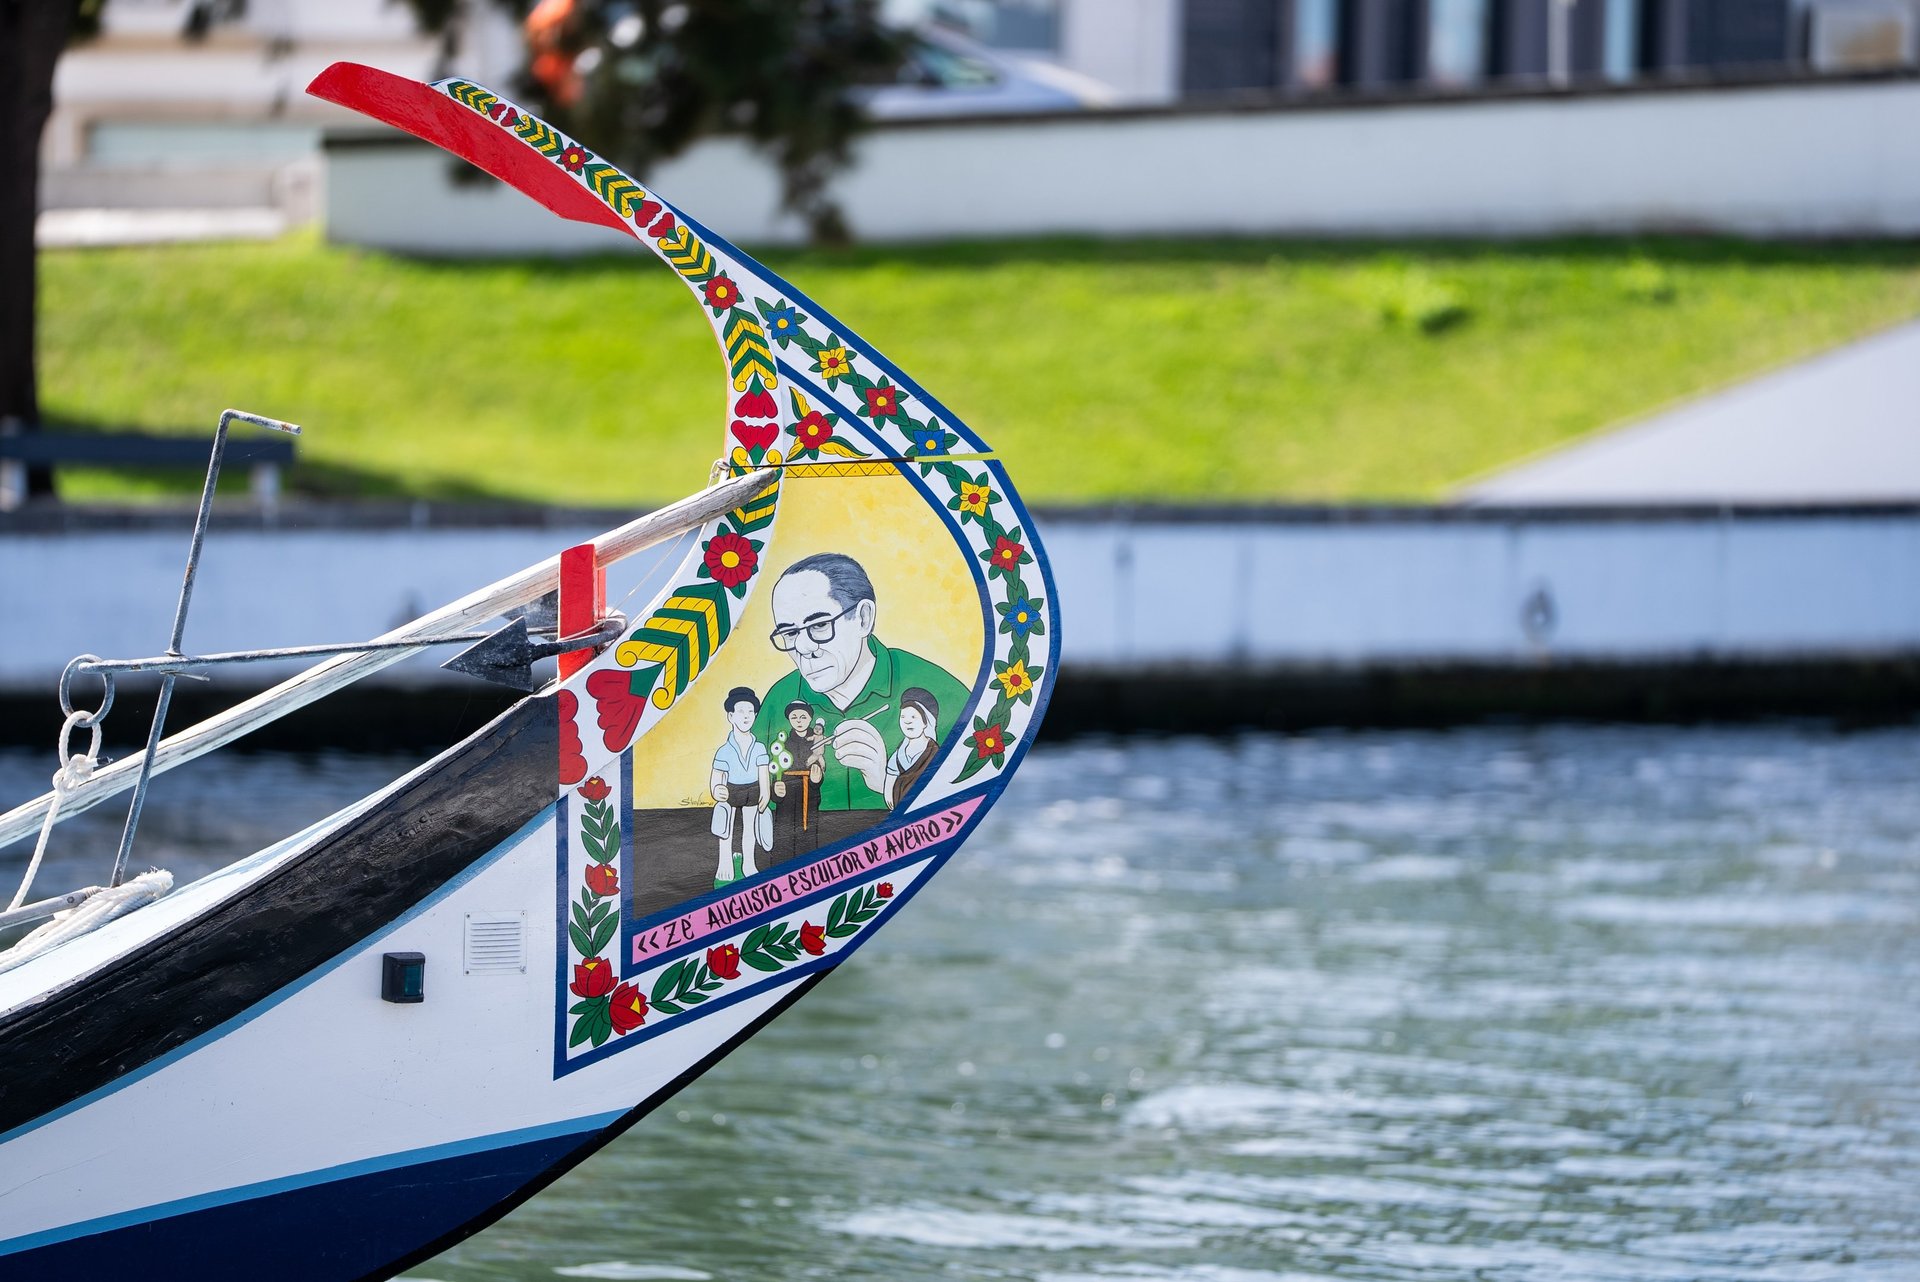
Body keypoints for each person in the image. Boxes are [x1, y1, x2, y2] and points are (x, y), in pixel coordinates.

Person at [752, 553, 969, 816]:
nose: (803, 647)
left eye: (819, 625)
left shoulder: (942, 694)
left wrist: (885, 781)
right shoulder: (779, 701)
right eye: (789, 633)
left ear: (863, 618)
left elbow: (969, 794)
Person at [709, 686, 770, 887]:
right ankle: (725, 862)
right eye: (741, 711)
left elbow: (763, 772)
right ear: (730, 716)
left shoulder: (759, 747)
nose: (746, 717)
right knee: (726, 828)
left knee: (750, 829)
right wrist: (716, 789)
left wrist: (766, 791)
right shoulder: (724, 750)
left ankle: (749, 863)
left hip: (753, 790)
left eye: (751, 712)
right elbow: (717, 776)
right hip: (730, 790)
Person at [770, 699, 826, 859]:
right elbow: (776, 769)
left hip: (808, 795)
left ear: (810, 719)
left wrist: (817, 779)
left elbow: (820, 766)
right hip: (786, 796)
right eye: (794, 717)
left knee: (807, 836)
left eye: (803, 716)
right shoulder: (783, 744)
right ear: (789, 719)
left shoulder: (817, 742)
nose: (799, 721)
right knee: (784, 834)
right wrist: (776, 790)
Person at [884, 687, 940, 805]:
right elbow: (890, 779)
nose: (907, 721)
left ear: (925, 722)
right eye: (903, 717)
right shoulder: (898, 754)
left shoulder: (934, 752)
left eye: (913, 717)